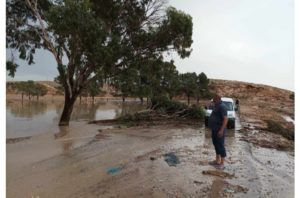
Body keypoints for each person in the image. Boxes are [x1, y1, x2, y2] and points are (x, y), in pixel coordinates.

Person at [208, 94, 228, 169]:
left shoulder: (222, 107)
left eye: (214, 100)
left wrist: (221, 130)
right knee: (216, 145)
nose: (213, 101)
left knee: (220, 146)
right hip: (214, 129)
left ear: (218, 99)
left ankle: (222, 163)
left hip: (219, 130)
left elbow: (225, 119)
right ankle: (217, 161)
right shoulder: (216, 106)